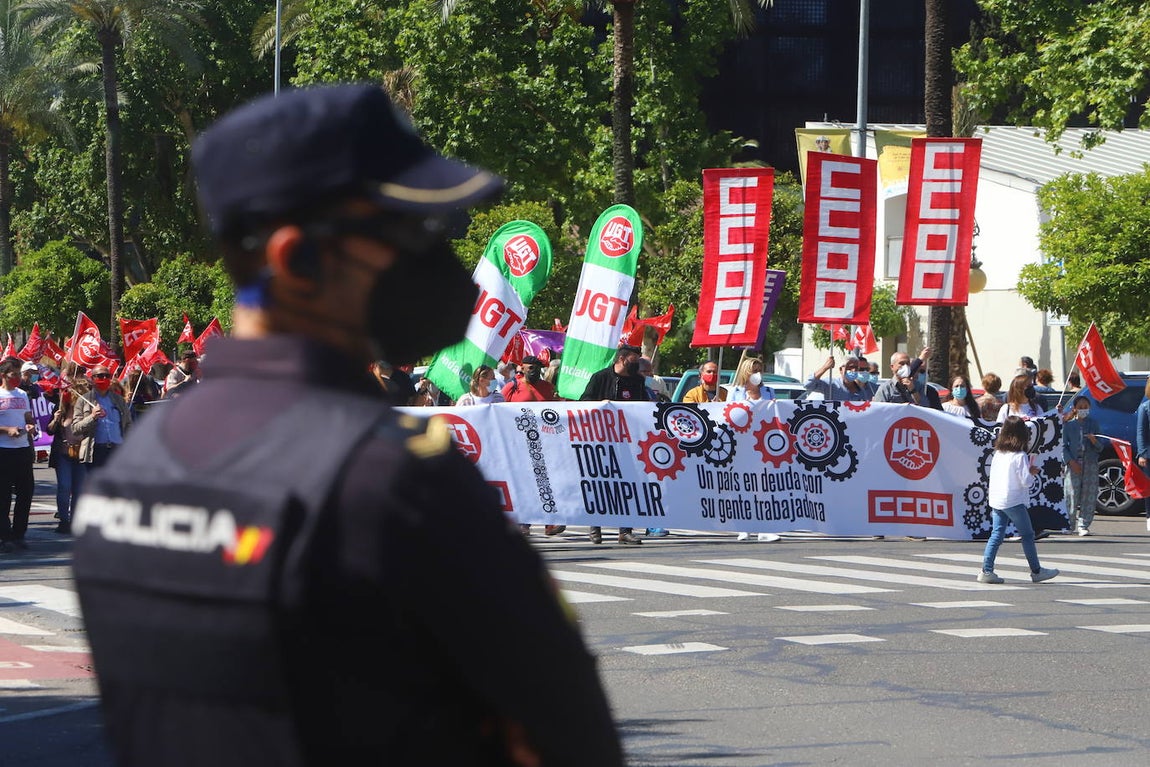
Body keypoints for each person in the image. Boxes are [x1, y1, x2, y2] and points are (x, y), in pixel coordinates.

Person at [71, 84, 623, 766]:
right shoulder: (392, 482)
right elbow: (572, 734)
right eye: (407, 233)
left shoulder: (127, 478)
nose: (438, 260)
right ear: (297, 260)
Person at [978, 416, 1060, 584]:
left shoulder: (999, 453)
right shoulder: (1020, 455)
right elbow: (1026, 481)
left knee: (996, 534)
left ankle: (986, 570)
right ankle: (1036, 571)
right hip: (1013, 499)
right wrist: (1031, 473)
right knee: (1028, 534)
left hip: (997, 498)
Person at [582, 345, 645, 545]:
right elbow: (585, 400)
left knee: (628, 483)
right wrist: (603, 405)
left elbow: (643, 406)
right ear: (622, 358)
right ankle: (595, 527)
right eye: (634, 359)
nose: (636, 363)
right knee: (600, 481)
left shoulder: (637, 381)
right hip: (601, 438)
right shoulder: (600, 378)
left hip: (627, 440)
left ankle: (625, 530)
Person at [0, 358, 36, 551]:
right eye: (13, 374)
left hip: (22, 450)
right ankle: (5, 536)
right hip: (3, 451)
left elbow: (28, 417)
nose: (17, 378)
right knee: (3, 496)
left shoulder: (22, 394)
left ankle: (19, 534)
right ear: (4, 375)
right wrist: (7, 430)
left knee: (25, 493)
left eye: (17, 374)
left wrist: (31, 426)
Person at [72, 364, 131, 469]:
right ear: (92, 379)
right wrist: (92, 416)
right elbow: (75, 429)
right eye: (100, 376)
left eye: (107, 376)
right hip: (96, 451)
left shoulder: (119, 400)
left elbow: (128, 425)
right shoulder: (83, 400)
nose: (104, 378)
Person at [46, 385, 87, 534]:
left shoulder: (87, 411)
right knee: (64, 486)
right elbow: (49, 430)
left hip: (81, 454)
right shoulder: (61, 410)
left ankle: (75, 520)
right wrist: (56, 419)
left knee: (78, 489)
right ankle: (64, 519)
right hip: (63, 455)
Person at [1063, 395, 1103, 536]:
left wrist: (1094, 441)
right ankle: (1069, 524)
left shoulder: (1094, 424)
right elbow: (1063, 447)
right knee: (1071, 494)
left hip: (1090, 463)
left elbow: (1101, 447)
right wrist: (1070, 461)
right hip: (1074, 462)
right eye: (1080, 407)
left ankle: (1084, 524)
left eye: (1085, 407)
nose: (1083, 410)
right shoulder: (1068, 425)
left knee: (1089, 494)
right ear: (1074, 409)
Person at [873, 348, 941, 409]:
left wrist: (913, 390)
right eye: (901, 363)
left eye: (907, 363)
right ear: (892, 367)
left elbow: (926, 407)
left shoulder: (918, 386)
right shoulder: (885, 388)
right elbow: (879, 411)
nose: (905, 366)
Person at [804, 355, 873, 402]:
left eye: (856, 368)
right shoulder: (831, 385)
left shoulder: (862, 391)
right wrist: (825, 367)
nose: (854, 370)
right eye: (850, 367)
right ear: (841, 369)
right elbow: (808, 385)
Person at [1135, 380, 1150, 532]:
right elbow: (1141, 433)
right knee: (1149, 488)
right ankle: (1149, 517)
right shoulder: (1145, 407)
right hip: (1149, 455)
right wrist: (1142, 454)